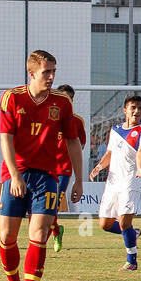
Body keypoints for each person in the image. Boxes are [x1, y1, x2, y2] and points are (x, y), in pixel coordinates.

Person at [0, 50, 83, 281]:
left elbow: (73, 142)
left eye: (54, 71)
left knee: (39, 233)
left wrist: (79, 179)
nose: (52, 76)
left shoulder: (62, 103)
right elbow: (6, 139)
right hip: (17, 174)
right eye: (47, 72)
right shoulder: (12, 98)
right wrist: (14, 175)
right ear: (32, 73)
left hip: (47, 176)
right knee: (7, 236)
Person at [89, 95, 141, 272]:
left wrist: (140, 167)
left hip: (131, 180)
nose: (136, 111)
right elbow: (110, 152)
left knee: (123, 221)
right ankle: (133, 233)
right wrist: (99, 166)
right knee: (105, 225)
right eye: (133, 107)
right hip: (112, 182)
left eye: (139, 108)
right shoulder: (115, 130)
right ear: (125, 110)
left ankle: (132, 260)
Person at [47, 84, 88, 255]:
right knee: (42, 208)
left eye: (69, 98)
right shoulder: (49, 115)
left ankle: (42, 242)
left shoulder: (77, 121)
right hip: (46, 167)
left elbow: (81, 144)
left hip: (63, 170)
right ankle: (57, 230)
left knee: (52, 207)